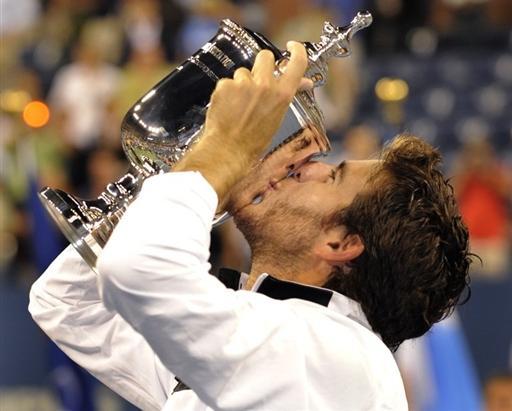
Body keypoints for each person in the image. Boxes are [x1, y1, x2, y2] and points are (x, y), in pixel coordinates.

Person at [29, 42, 472, 410]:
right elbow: (68, 303)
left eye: (333, 174)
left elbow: (134, 271)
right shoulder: (279, 336)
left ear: (341, 243)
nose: (307, 165)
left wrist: (220, 158)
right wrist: (204, 174)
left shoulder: (334, 355)